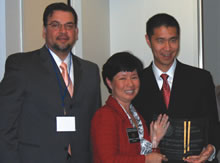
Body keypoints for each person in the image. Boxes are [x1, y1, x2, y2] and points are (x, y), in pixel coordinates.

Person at [0, 3, 101, 163]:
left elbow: (95, 126)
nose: (63, 31)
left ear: (76, 32)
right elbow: (4, 126)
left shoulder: (91, 71)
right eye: (55, 25)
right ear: (44, 30)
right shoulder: (21, 66)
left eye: (69, 26)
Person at [133, 13, 219, 163]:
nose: (168, 48)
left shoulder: (201, 79)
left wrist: (211, 149)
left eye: (173, 40)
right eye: (160, 41)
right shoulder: (136, 82)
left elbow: (213, 125)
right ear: (148, 40)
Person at [91, 52, 170, 163]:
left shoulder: (136, 115)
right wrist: (146, 159)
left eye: (134, 77)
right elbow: (108, 160)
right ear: (109, 82)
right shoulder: (105, 116)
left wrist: (155, 141)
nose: (130, 84)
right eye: (123, 78)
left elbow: (146, 156)